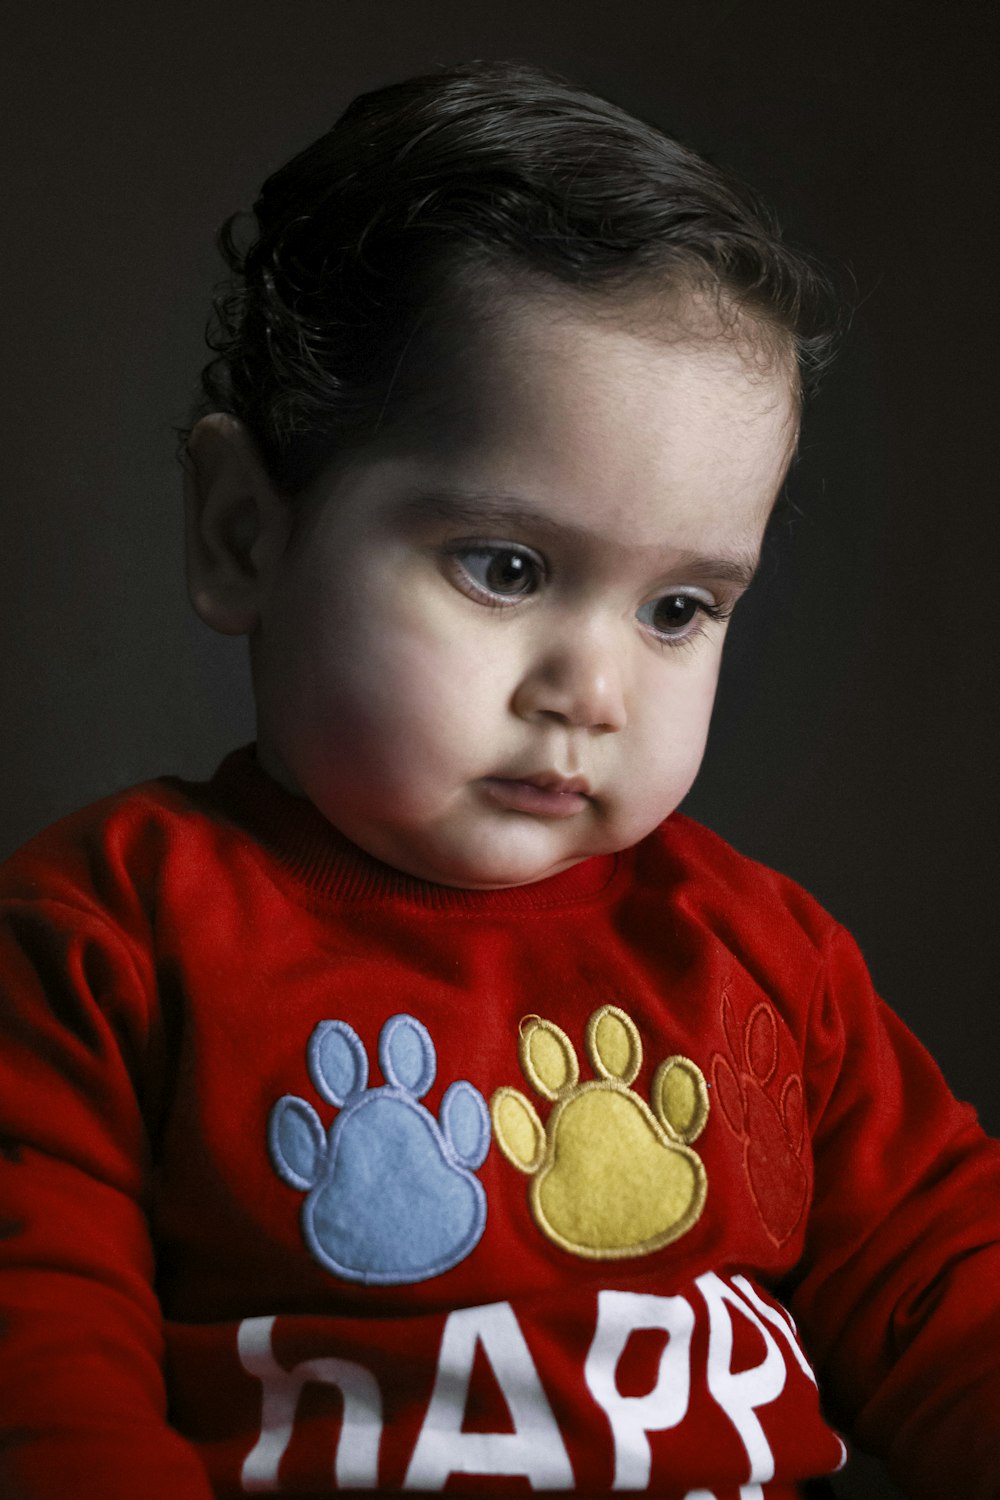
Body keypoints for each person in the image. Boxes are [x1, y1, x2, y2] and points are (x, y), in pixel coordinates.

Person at [0, 60, 996, 1500]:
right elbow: (47, 1387)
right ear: (240, 534)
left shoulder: (764, 960)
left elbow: (948, 1286)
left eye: (680, 609)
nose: (592, 690)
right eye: (507, 567)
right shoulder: (108, 938)